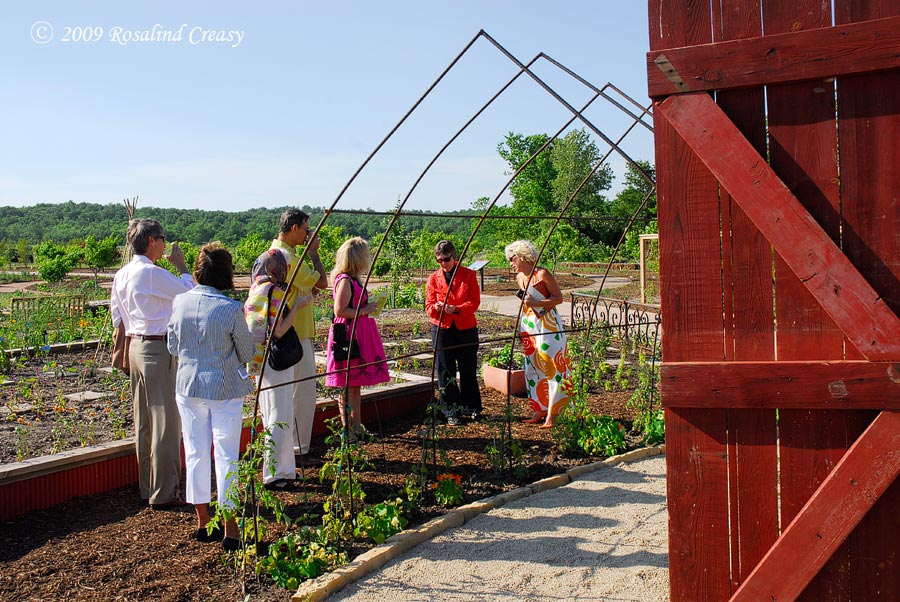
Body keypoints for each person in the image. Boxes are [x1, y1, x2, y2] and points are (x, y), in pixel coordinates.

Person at [167, 245, 254, 550]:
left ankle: (203, 522)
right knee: (227, 455)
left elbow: (173, 347)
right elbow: (247, 352)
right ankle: (230, 528)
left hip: (188, 387)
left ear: (198, 270)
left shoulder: (179, 303)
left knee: (195, 452)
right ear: (227, 274)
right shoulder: (230, 309)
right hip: (224, 389)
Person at [110, 218, 194, 507]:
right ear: (151, 242)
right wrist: (182, 266)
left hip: (135, 346)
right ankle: (165, 492)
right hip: (157, 350)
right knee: (166, 422)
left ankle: (147, 486)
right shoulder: (150, 273)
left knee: (144, 421)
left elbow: (116, 316)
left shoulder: (122, 274)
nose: (164, 243)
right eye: (162, 237)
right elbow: (189, 293)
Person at [252, 209, 327, 464]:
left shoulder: (279, 256)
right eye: (306, 229)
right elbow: (321, 283)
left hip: (291, 332)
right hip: (293, 333)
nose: (308, 234)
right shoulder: (288, 258)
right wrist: (314, 252)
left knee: (285, 397)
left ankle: (287, 453)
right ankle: (297, 451)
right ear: (294, 228)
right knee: (301, 395)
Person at [244, 249, 312, 489]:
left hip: (259, 361)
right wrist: (299, 305)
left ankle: (282, 470)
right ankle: (275, 474)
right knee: (280, 415)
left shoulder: (254, 289)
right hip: (276, 361)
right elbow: (279, 330)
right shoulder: (276, 291)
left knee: (269, 413)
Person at [325, 237, 390, 437]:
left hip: (357, 334)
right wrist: (365, 309)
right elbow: (340, 311)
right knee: (346, 385)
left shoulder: (353, 279)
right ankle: (348, 430)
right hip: (348, 337)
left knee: (355, 385)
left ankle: (357, 425)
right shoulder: (345, 280)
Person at [505, 240, 572, 428]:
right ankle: (539, 408)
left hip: (548, 325)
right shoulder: (520, 277)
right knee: (532, 367)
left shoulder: (541, 273)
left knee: (552, 366)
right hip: (530, 324)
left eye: (512, 258)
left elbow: (558, 298)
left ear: (521, 256)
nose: (511, 263)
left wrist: (536, 304)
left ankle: (554, 412)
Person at [424, 240, 481, 425]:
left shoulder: (468, 275)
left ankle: (471, 407)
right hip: (442, 329)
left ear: (454, 257)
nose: (443, 263)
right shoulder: (433, 278)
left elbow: (474, 302)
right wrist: (437, 308)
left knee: (468, 368)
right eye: (439, 260)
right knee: (445, 370)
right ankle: (450, 410)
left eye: (446, 259)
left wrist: (456, 309)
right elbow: (428, 306)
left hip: (465, 328)